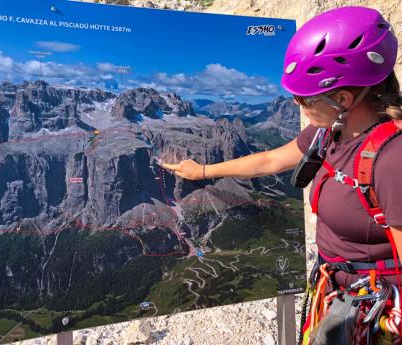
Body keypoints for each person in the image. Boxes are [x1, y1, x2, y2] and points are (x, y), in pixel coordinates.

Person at [161, 6, 402, 344]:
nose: (296, 106)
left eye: (303, 98)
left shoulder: (393, 158)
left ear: (344, 99)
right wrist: (202, 171)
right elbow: (271, 161)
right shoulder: (331, 131)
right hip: (338, 295)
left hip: (373, 313)